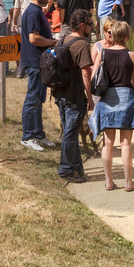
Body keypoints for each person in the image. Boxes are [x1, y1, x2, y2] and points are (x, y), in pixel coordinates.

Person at [91, 19, 134, 190]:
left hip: (107, 100)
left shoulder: (102, 53)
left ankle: (108, 181)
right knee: (126, 143)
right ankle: (128, 182)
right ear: (127, 36)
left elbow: (94, 77)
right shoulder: (133, 56)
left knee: (108, 142)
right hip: (127, 100)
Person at [52, 10, 94, 184]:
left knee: (71, 132)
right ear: (82, 25)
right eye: (90, 24)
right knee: (70, 134)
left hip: (60, 94)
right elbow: (86, 72)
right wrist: (89, 97)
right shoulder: (82, 44)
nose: (92, 27)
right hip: (74, 97)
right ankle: (66, 169)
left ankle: (77, 168)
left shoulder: (63, 39)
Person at [18, 0, 56, 151]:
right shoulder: (33, 12)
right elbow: (34, 38)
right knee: (32, 100)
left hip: (39, 62)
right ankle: (28, 136)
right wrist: (53, 42)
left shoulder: (37, 11)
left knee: (38, 101)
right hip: (34, 62)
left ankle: (38, 135)